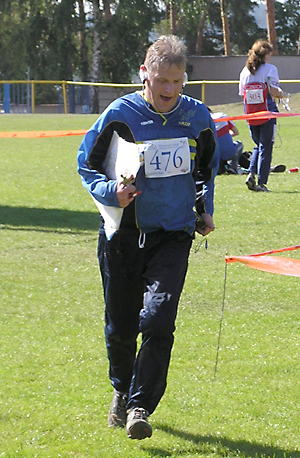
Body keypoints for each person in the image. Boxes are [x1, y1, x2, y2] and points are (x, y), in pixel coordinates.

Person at [77, 35, 218, 440]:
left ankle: (140, 405)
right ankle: (122, 390)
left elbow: (205, 170)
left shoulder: (198, 118)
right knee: (120, 327)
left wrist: (204, 208)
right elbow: (86, 165)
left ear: (184, 78)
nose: (169, 91)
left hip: (173, 236)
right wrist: (110, 192)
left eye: (177, 82)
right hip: (122, 236)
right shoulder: (120, 114)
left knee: (158, 320)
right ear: (145, 74)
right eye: (161, 81)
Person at [239, 39, 285, 192]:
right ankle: (261, 182)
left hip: (251, 114)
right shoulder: (270, 69)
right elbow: (273, 91)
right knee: (266, 147)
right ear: (266, 54)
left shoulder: (245, 71)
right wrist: (282, 94)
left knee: (258, 146)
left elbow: (241, 94)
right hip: (266, 113)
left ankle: (251, 173)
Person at [203, 109, 243, 216]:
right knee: (239, 144)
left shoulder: (204, 120)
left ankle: (223, 167)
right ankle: (233, 166)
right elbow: (236, 132)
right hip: (228, 152)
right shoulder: (223, 116)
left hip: (213, 155)